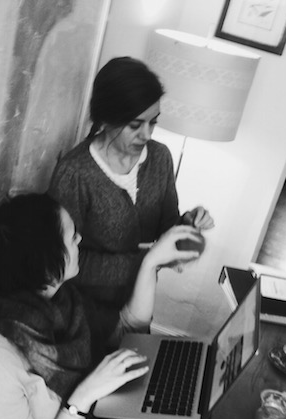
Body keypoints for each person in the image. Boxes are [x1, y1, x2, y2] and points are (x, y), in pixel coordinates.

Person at [0, 193, 207, 419]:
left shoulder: (58, 303)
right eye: (72, 236)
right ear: (46, 262)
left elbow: (126, 328)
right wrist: (84, 396)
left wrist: (151, 263)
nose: (80, 239)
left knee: (188, 408)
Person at [48, 57, 214, 324]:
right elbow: (61, 261)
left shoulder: (160, 158)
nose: (146, 134)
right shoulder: (75, 174)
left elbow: (166, 227)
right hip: (85, 315)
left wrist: (188, 224)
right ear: (106, 119)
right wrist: (148, 260)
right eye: (135, 125)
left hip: (141, 301)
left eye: (153, 122)